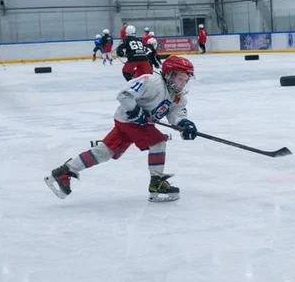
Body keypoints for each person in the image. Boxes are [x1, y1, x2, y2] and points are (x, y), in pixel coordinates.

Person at [46, 55, 198, 203]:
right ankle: (157, 183)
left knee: (105, 152)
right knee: (158, 142)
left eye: (186, 80)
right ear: (169, 75)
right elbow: (124, 94)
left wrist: (184, 124)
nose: (183, 84)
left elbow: (176, 114)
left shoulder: (178, 97)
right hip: (130, 121)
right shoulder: (151, 82)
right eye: (180, 79)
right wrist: (135, 110)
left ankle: (65, 171)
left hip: (129, 123)